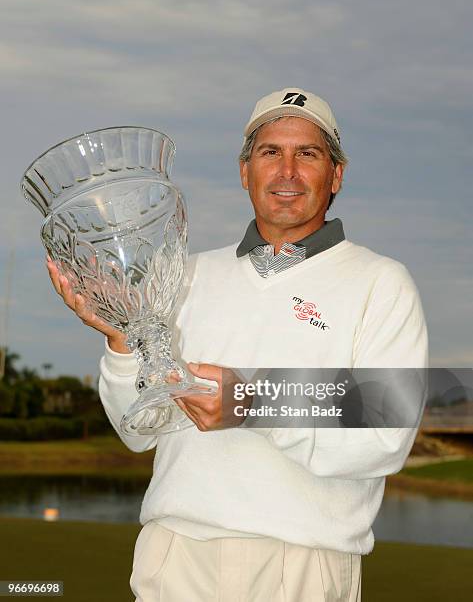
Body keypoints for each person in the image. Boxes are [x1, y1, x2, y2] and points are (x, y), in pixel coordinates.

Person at [47, 87, 428, 601]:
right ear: (245, 170)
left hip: (301, 563)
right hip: (176, 554)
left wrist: (248, 399)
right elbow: (139, 431)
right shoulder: (186, 274)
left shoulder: (382, 282)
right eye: (270, 152)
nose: (287, 171)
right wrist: (121, 343)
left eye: (307, 154)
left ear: (336, 174)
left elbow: (387, 430)